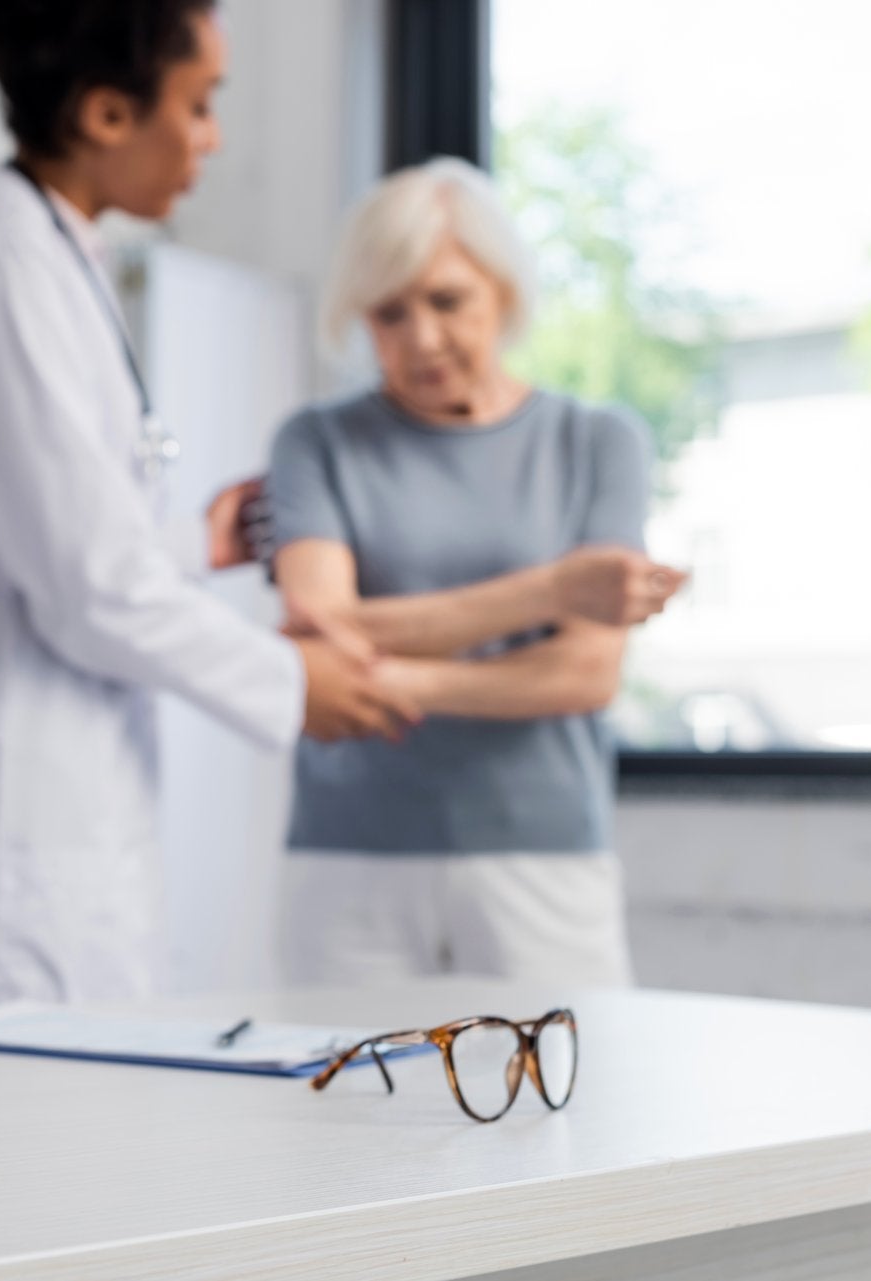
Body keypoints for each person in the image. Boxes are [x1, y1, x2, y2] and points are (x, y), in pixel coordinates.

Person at [0, 0, 418, 1018]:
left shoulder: (52, 252)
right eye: (199, 104)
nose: (214, 136)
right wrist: (289, 682)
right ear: (107, 113)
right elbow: (91, 590)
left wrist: (194, 541)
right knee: (13, 1149)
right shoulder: (2, 262)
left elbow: (49, 538)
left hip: (49, 797)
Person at [265, 157, 688, 987]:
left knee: (565, 1104)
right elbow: (316, 630)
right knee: (342, 1111)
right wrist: (551, 590)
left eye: (446, 301)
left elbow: (584, 672)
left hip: (540, 855)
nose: (421, 338)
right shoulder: (314, 442)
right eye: (389, 314)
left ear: (502, 289)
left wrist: (383, 672)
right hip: (350, 856)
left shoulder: (597, 441)